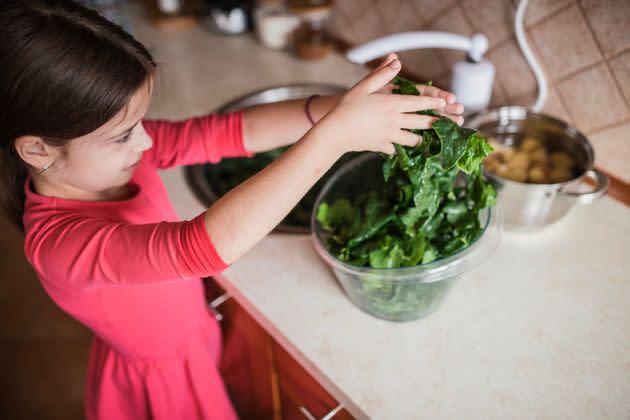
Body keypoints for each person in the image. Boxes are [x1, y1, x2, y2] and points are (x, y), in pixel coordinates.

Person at [0, 0, 464, 418]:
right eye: (124, 134)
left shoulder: (110, 162)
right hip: (163, 382)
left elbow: (223, 132)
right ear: (38, 150)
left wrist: (340, 109)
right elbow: (197, 248)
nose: (145, 140)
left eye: (140, 122)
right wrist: (335, 137)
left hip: (194, 337)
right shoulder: (57, 246)